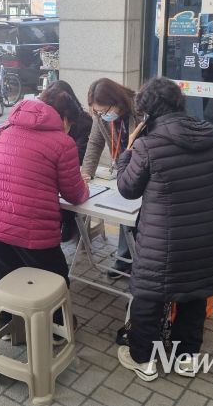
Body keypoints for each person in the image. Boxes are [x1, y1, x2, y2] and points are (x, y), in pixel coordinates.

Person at [115, 77, 213, 381]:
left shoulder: (147, 145)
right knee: (194, 295)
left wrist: (126, 154)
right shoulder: (209, 135)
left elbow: (128, 189)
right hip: (203, 238)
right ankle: (186, 359)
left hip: (160, 241)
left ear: (148, 112)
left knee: (149, 297)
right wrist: (203, 210)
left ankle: (143, 360)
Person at [0, 91, 89, 293]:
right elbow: (74, 194)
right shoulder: (63, 142)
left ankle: (5, 314)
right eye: (70, 124)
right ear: (64, 118)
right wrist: (85, 187)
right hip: (32, 229)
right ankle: (53, 314)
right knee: (56, 283)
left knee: (3, 286)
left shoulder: (4, 129)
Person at [82, 78, 140, 278]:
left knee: (140, 216)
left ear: (116, 101)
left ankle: (138, 263)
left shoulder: (139, 109)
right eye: (96, 112)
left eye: (104, 111)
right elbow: (94, 143)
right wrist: (87, 171)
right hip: (123, 168)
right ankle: (124, 259)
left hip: (143, 166)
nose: (101, 115)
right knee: (124, 210)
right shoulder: (100, 117)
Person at [39, 80, 92, 242]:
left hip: (75, 170)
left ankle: (71, 227)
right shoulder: (45, 129)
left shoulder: (82, 121)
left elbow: (83, 152)